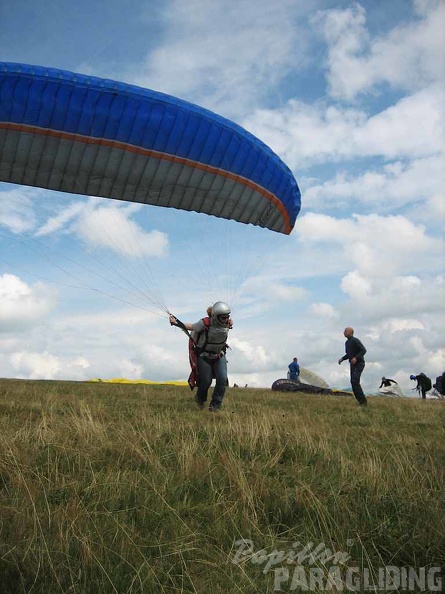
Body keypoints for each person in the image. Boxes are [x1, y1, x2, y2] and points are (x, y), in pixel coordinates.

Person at [169, 301, 232, 412]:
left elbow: (228, 324)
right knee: (206, 381)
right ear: (216, 316)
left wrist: (229, 322)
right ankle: (200, 400)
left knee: (222, 379)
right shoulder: (205, 323)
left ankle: (215, 407)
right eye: (223, 317)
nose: (226, 319)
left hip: (219, 355)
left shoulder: (227, 323)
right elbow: (191, 327)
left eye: (227, 317)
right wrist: (176, 322)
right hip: (205, 356)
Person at [338, 327, 367, 406]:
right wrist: (342, 359)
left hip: (359, 363)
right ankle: (360, 402)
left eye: (345, 331)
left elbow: (363, 350)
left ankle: (363, 402)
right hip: (352, 364)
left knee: (355, 381)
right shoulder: (347, 343)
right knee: (353, 382)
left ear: (351, 332)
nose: (344, 332)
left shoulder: (355, 340)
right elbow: (348, 354)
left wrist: (356, 358)